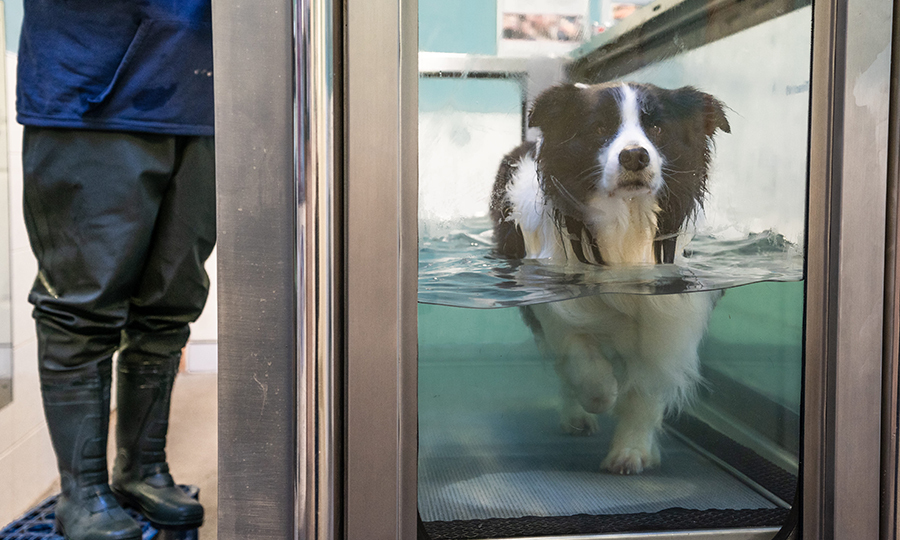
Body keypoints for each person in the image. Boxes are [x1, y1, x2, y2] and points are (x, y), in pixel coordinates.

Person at [16, 3, 215, 539]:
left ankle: (141, 469)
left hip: (204, 95)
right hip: (93, 88)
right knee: (82, 304)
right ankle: (80, 491)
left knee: (172, 299)